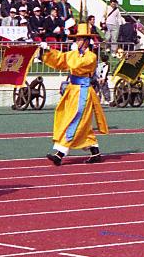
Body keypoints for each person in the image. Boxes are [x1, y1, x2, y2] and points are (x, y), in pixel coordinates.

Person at [41, 23, 109, 165]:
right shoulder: (73, 54)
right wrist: (48, 50)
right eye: (76, 39)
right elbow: (60, 60)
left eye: (79, 39)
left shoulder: (91, 57)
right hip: (72, 91)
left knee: (75, 120)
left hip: (83, 91)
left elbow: (77, 64)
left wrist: (72, 55)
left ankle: (60, 154)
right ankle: (95, 152)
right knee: (80, 123)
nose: (77, 41)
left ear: (86, 41)